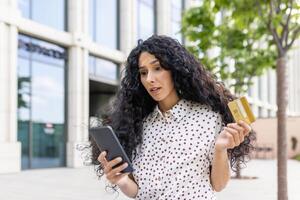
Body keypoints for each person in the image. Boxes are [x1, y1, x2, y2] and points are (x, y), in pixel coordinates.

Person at [90, 35, 255, 199]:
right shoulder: (138, 125)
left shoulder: (208, 117)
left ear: (175, 69)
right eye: (143, 72)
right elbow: (138, 192)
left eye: (157, 68)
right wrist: (121, 179)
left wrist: (221, 149)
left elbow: (218, 185)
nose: (149, 79)